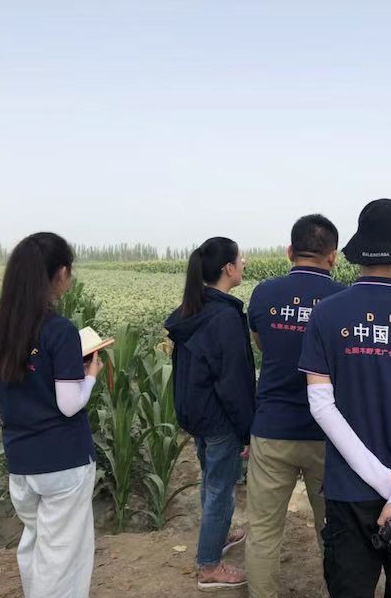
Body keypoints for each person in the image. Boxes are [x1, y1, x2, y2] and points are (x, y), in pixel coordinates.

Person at [298, 199, 391, 598]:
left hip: (349, 489)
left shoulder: (326, 315)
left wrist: (380, 479)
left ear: (360, 249)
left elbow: (321, 406)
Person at [0, 232, 104, 598]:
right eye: (70, 270)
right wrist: (90, 376)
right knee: (62, 558)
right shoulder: (60, 330)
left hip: (21, 463)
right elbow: (69, 404)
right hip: (64, 461)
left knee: (34, 545)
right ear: (60, 273)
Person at [245, 215, 346, 598]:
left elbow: (262, 343)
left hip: (272, 428)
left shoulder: (265, 293)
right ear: (332, 256)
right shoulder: (343, 299)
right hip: (328, 435)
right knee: (332, 529)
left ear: (290, 251)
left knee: (263, 530)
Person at [164, 237, 256, 592]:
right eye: (240, 259)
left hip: (196, 412)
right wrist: (245, 430)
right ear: (228, 269)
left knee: (210, 479)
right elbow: (233, 382)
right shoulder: (224, 317)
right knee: (220, 487)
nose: (244, 262)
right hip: (219, 418)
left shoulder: (195, 307)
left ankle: (217, 537)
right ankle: (210, 566)